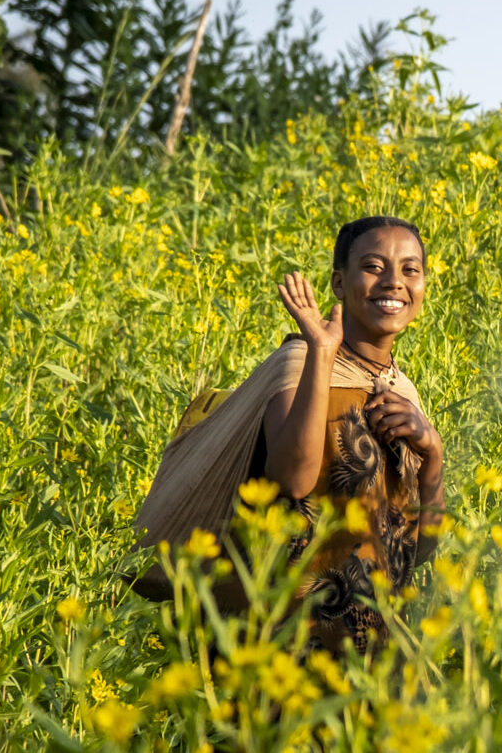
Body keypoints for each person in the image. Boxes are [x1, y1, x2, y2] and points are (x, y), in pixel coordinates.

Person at [129, 216, 444, 658]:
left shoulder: (403, 392)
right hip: (283, 646)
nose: (394, 282)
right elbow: (293, 480)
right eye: (373, 267)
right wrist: (321, 351)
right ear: (339, 282)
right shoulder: (299, 365)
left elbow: (420, 549)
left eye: (410, 269)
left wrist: (432, 453)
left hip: (373, 655)